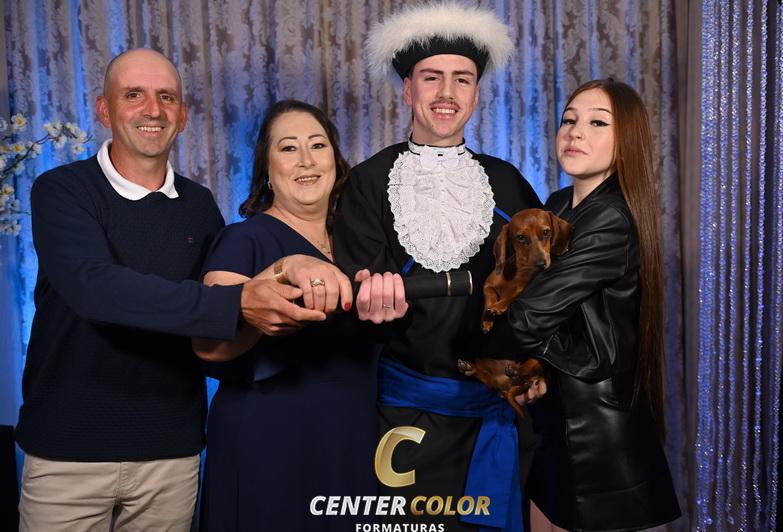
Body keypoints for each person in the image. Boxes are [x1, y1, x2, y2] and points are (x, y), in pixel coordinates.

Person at [15, 49, 326, 532]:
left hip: (172, 453)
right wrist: (237, 302)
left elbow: (215, 330)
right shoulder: (62, 190)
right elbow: (96, 288)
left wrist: (279, 303)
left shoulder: (200, 205)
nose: (153, 110)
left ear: (182, 116)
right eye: (133, 95)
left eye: (167, 97)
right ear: (104, 110)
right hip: (69, 452)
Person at [333, 3, 543, 531]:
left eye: (462, 79)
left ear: (476, 94)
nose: (447, 93)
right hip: (403, 418)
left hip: (495, 413)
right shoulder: (368, 181)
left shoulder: (509, 182)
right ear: (408, 90)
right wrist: (371, 306)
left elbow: (543, 291)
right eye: (431, 78)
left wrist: (539, 367)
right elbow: (359, 304)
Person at [193, 99, 407, 531]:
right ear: (266, 169)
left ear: (336, 161)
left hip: (351, 440)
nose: (306, 160)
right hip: (270, 445)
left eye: (318, 145)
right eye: (289, 148)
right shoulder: (245, 239)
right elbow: (207, 345)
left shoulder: (361, 243)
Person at [485, 79, 681, 531]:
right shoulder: (558, 206)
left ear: (625, 140)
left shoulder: (611, 216)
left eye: (597, 123)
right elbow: (534, 299)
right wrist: (535, 373)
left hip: (596, 435)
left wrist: (472, 345)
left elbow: (529, 315)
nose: (575, 131)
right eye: (569, 120)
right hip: (555, 416)